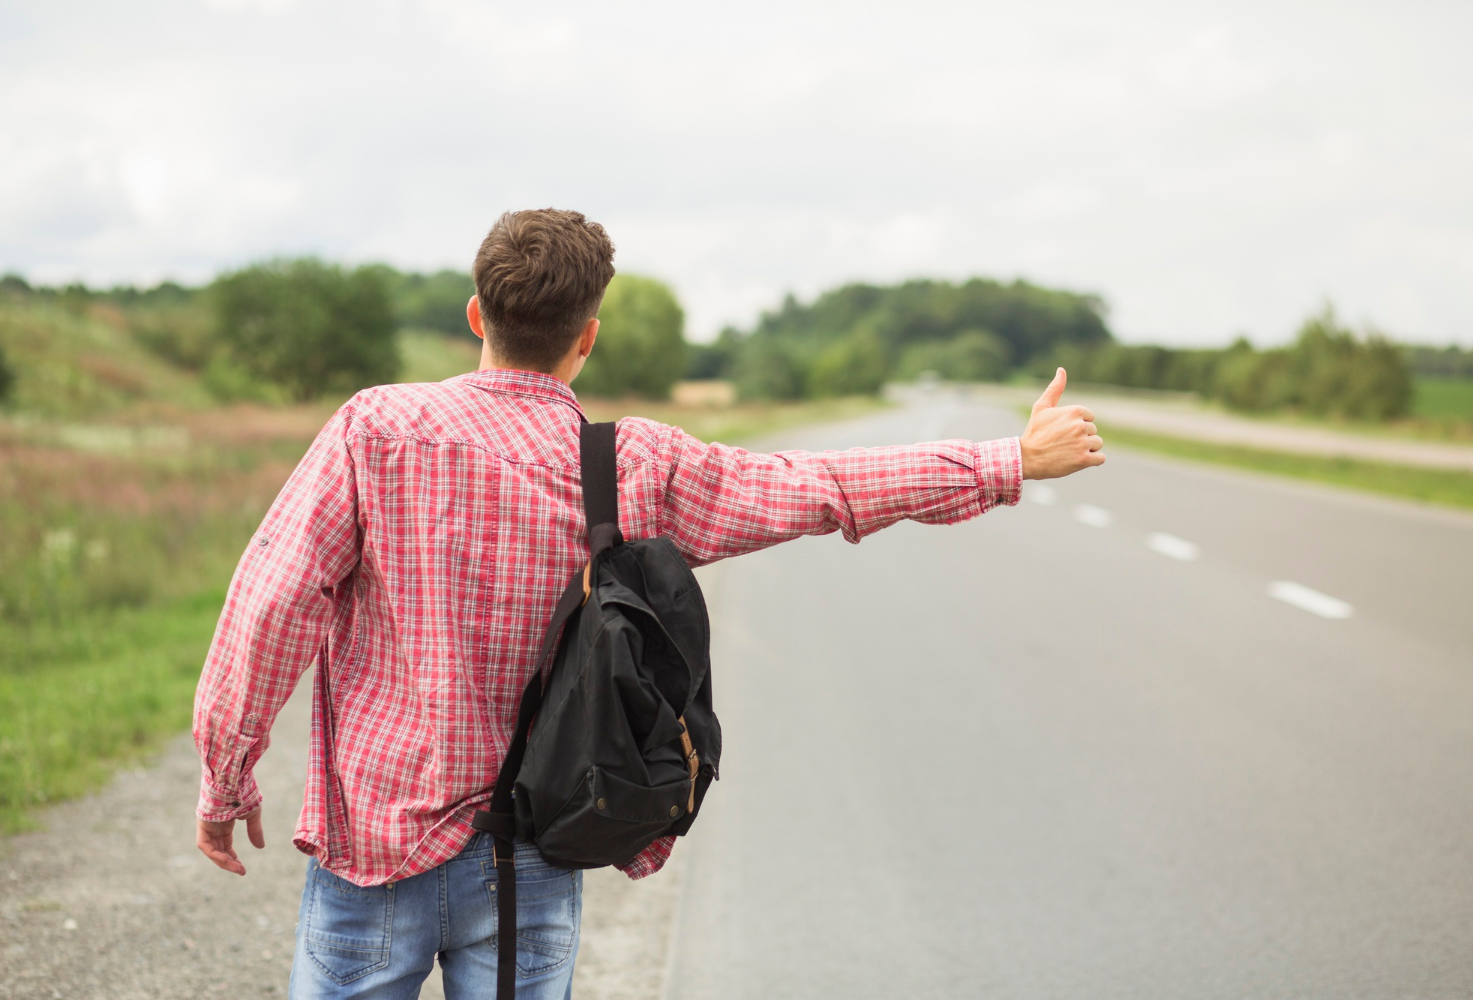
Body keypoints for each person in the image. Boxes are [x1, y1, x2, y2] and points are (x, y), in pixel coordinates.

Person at [193, 208, 1105, 999]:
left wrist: (227, 773)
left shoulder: (375, 429)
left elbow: (272, 603)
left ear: (478, 314)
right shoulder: (632, 464)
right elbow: (815, 486)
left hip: (376, 852)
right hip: (545, 842)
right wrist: (1008, 460)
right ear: (586, 336)